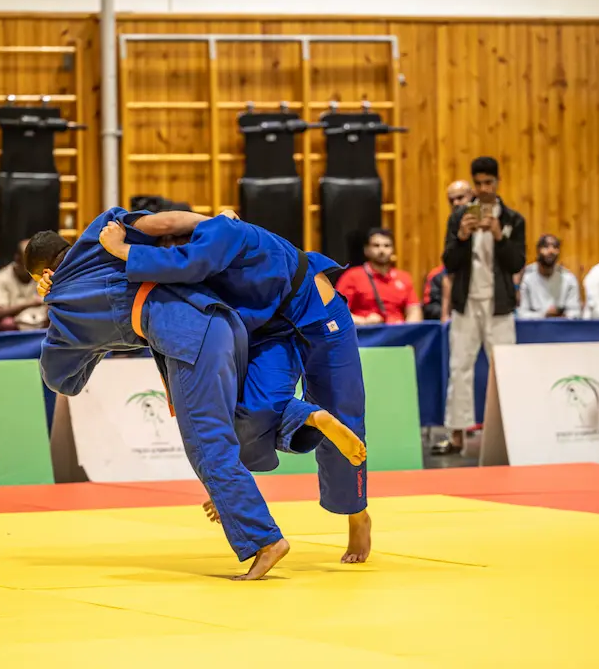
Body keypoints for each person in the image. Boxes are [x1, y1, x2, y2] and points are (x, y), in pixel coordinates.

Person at [26, 209, 364, 580]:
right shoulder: (99, 242)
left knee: (212, 442)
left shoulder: (219, 235)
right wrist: (75, 281)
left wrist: (71, 302)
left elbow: (63, 380)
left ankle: (312, 526)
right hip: (243, 326)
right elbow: (164, 226)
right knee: (249, 410)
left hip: (307, 316)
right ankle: (302, 422)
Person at [439, 156, 526, 455]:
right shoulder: (459, 217)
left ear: (498, 182)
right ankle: (457, 435)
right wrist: (462, 237)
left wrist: (500, 236)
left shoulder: (513, 219)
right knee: (459, 367)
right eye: (479, 183)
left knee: (506, 369)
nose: (484, 188)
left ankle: (512, 433)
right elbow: (449, 263)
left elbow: (516, 263)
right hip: (466, 304)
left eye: (489, 182)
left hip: (499, 305)